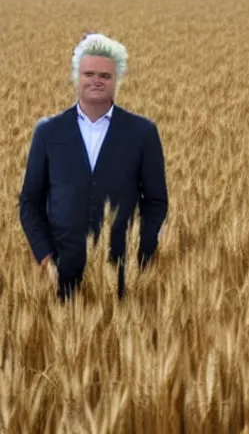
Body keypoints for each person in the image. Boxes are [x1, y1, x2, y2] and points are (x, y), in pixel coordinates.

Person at [19, 33, 169, 301]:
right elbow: (30, 201)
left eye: (105, 76)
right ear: (77, 76)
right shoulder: (48, 132)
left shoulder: (142, 132)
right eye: (89, 74)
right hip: (62, 273)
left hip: (123, 275)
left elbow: (156, 201)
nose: (96, 81)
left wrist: (141, 252)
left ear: (116, 80)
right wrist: (45, 256)